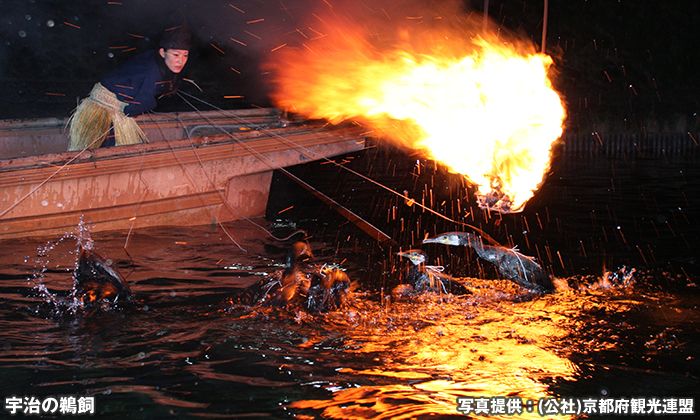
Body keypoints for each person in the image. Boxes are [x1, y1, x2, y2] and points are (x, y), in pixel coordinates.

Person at [67, 25, 191, 151]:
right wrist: (141, 106)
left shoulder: (152, 57)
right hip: (106, 111)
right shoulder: (153, 72)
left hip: (105, 106)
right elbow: (134, 108)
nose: (180, 61)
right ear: (162, 52)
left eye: (185, 55)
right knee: (102, 153)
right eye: (176, 54)